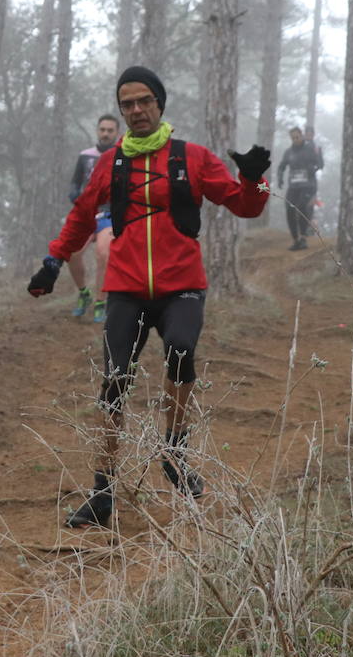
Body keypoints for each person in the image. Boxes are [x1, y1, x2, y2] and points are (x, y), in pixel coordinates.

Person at [26, 65, 271, 528]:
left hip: (183, 285)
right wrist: (54, 261)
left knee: (181, 351)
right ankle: (102, 492)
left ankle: (174, 454)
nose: (136, 110)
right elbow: (81, 217)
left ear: (160, 104)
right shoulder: (110, 162)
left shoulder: (191, 157)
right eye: (128, 104)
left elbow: (245, 205)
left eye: (144, 102)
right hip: (125, 287)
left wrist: (255, 178)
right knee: (115, 380)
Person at [65, 115, 120, 323]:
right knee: (72, 252)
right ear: (97, 130)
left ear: (116, 133)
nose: (105, 133)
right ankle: (84, 294)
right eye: (102, 129)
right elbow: (74, 184)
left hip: (109, 215)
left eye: (110, 130)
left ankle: (100, 301)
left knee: (104, 253)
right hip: (87, 213)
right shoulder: (85, 156)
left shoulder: (123, 156)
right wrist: (77, 200)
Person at [276, 126, 322, 250]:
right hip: (294, 186)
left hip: (308, 185)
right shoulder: (288, 152)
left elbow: (320, 163)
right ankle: (296, 240)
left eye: (297, 137)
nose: (295, 139)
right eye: (293, 138)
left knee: (301, 207)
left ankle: (304, 238)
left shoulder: (310, 148)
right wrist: (279, 177)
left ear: (301, 136)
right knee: (289, 208)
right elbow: (281, 166)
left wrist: (314, 168)